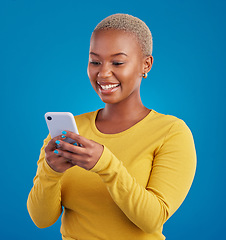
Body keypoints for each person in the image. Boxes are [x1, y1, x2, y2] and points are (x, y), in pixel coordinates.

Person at [27, 13, 196, 240]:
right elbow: (42, 220)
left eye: (117, 62)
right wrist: (51, 171)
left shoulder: (171, 132)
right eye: (95, 61)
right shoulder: (69, 132)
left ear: (146, 64)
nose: (103, 73)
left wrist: (105, 163)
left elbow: (152, 219)